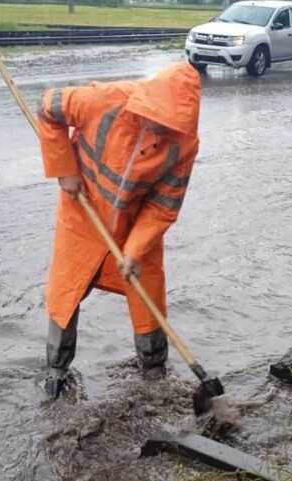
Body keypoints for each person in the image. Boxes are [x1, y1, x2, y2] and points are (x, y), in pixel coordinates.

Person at [36, 61, 202, 398]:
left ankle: (154, 372)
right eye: (156, 119)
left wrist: (134, 250)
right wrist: (64, 169)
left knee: (147, 290)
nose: (159, 129)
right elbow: (47, 106)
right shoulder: (104, 100)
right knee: (66, 290)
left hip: (134, 224)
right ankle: (56, 368)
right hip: (82, 213)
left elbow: (163, 205)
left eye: (168, 125)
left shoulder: (184, 143)